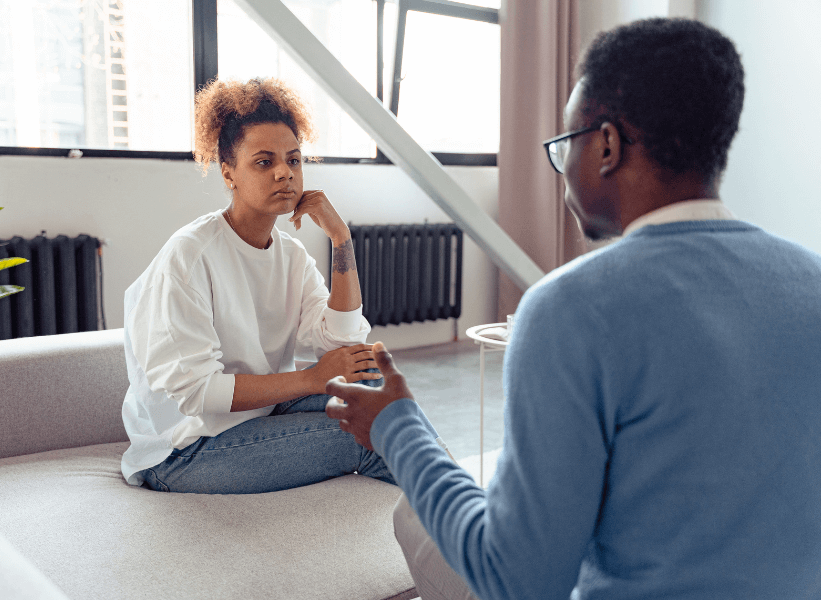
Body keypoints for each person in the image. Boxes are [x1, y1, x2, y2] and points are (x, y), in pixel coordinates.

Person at [326, 18, 821, 600]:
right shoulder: (810, 280)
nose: (561, 175)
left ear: (607, 145)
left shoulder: (571, 308)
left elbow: (518, 582)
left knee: (415, 515)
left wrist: (398, 426)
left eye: (565, 147)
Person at [120, 77, 396, 494]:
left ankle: (478, 521)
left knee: (378, 389)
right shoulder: (190, 255)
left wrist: (341, 238)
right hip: (185, 450)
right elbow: (199, 393)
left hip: (260, 416)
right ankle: (469, 534)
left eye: (294, 160)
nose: (285, 173)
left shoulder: (290, 255)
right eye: (264, 162)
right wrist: (310, 379)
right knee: (366, 434)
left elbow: (342, 339)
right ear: (229, 174)